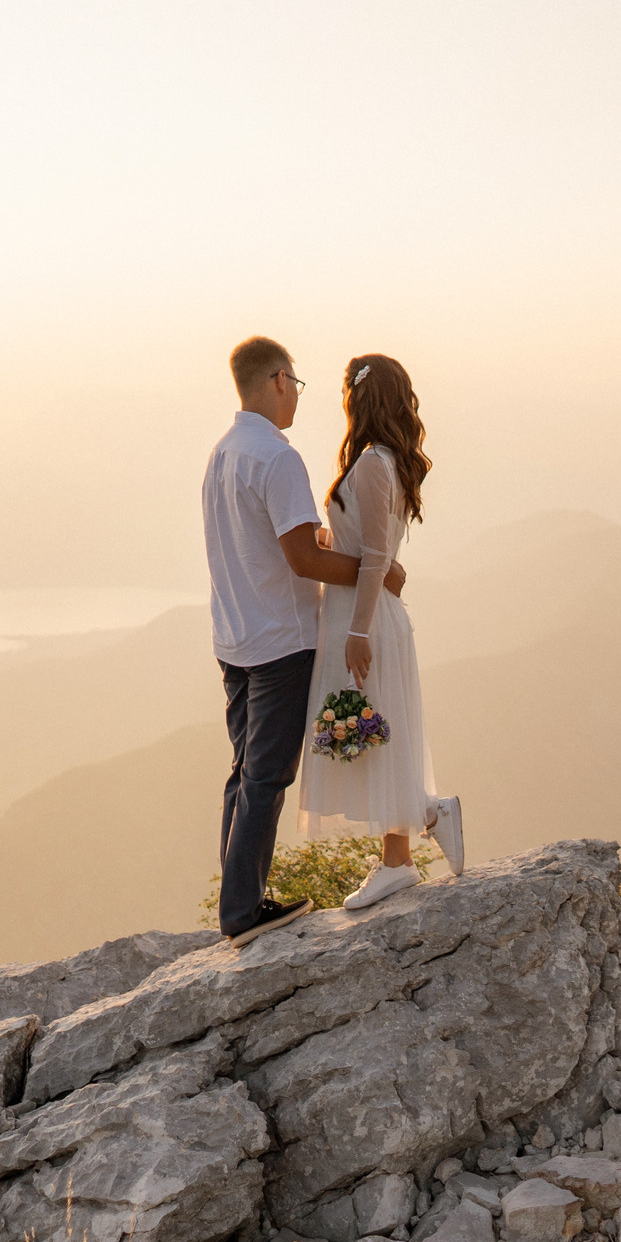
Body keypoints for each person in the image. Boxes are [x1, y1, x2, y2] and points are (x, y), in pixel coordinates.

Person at [203, 336, 403, 946]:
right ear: (279, 380)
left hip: (234, 635)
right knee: (266, 778)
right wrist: (380, 573)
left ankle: (242, 898)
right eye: (296, 385)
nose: (297, 398)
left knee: (243, 774)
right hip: (279, 641)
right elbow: (302, 559)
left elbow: (272, 543)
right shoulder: (278, 458)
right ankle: (241, 913)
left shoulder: (223, 452)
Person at [300, 354, 463, 908]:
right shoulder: (383, 462)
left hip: (363, 618)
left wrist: (358, 632)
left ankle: (400, 856)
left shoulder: (371, 462)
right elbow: (373, 551)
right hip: (362, 614)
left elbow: (374, 557)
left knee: (377, 729)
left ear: (360, 396)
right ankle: (415, 832)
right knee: (377, 730)